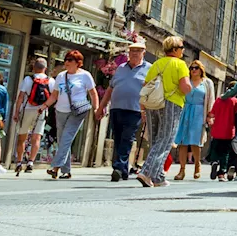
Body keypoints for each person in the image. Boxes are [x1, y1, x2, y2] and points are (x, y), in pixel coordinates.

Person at [137, 36, 193, 188]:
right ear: (175, 50)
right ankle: (146, 172)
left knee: (156, 140)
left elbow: (146, 85)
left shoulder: (156, 64)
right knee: (165, 139)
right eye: (181, 47)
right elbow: (185, 87)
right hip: (172, 103)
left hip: (153, 103)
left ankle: (158, 176)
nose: (183, 50)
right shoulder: (180, 64)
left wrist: (143, 108)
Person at [97, 40, 149, 182]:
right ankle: (124, 170)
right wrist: (101, 107)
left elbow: (152, 91)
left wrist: (147, 111)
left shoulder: (149, 69)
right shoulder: (120, 68)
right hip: (116, 108)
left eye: (138, 51)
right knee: (119, 139)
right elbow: (110, 89)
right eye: (132, 51)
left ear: (143, 53)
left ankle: (118, 167)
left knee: (127, 138)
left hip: (135, 110)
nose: (134, 54)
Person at [43, 50, 98, 180]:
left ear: (78, 63)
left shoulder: (85, 76)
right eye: (66, 60)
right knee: (63, 140)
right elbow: (55, 95)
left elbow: (93, 93)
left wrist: (96, 109)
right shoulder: (61, 76)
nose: (66, 62)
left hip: (77, 111)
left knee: (66, 138)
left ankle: (55, 167)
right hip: (60, 111)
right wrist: (45, 106)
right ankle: (66, 171)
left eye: (70, 60)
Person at [173, 60, 214, 180]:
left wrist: (209, 115)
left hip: (199, 112)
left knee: (195, 141)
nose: (193, 70)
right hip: (185, 111)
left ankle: (197, 165)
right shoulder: (186, 81)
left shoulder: (207, 83)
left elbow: (211, 99)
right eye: (191, 68)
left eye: (196, 68)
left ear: (201, 70)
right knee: (183, 141)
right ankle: (182, 170)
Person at [12, 57, 51, 173]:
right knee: (37, 137)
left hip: (27, 109)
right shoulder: (51, 81)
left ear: (34, 67)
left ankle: (19, 162)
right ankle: (30, 162)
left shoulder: (28, 79)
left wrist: (16, 112)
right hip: (41, 110)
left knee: (22, 137)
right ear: (46, 68)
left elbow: (20, 97)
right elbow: (53, 97)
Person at [209, 88, 237, 181]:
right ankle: (222, 173)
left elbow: (212, 113)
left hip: (217, 130)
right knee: (225, 153)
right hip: (228, 131)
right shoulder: (235, 101)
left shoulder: (218, 100)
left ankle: (214, 162)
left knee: (215, 149)